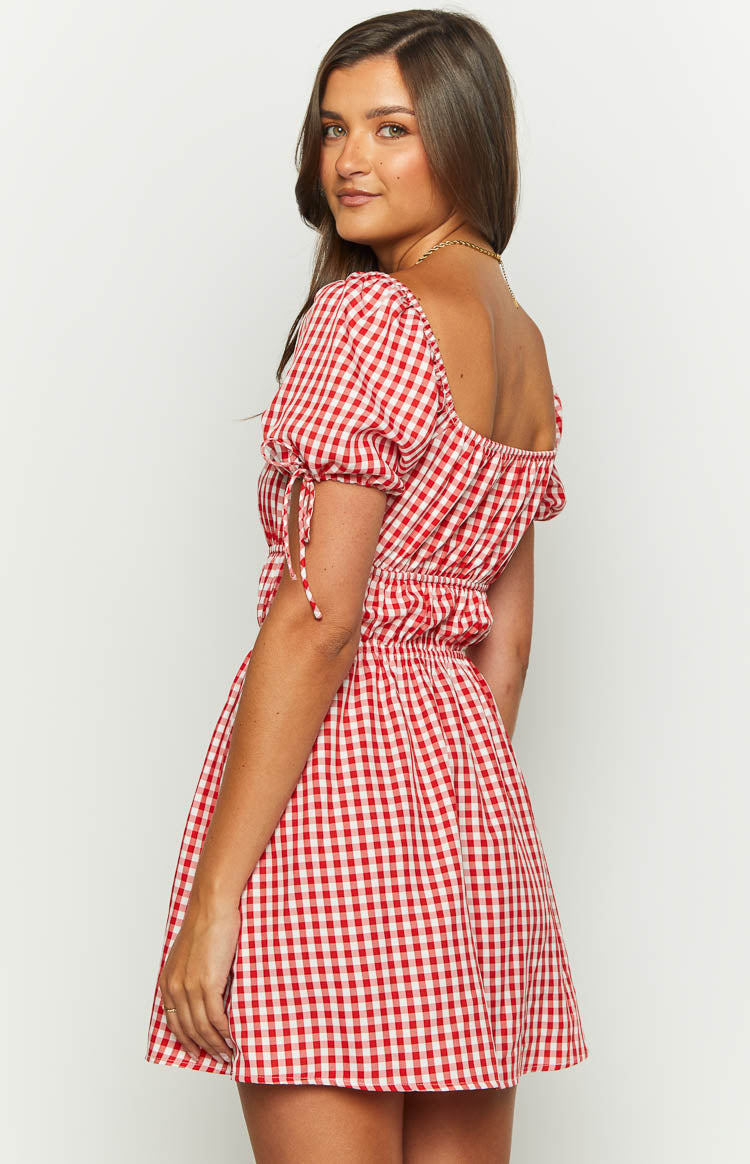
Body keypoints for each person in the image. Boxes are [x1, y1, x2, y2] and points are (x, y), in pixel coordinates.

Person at [144, 9, 588, 1162]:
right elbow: (510, 637)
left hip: (333, 790)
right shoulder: (523, 339)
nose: (350, 159)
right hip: (467, 811)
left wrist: (216, 899)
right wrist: (442, 822)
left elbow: (318, 615)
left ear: (466, 140)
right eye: (334, 127)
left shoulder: (369, 314)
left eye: (393, 128)